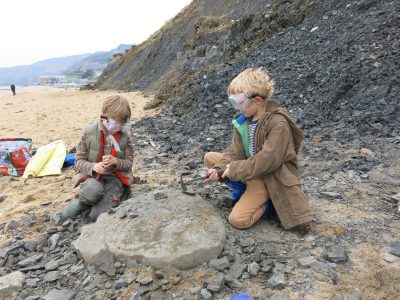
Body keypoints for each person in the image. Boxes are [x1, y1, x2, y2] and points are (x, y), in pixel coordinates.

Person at [204, 68, 313, 230]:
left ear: (258, 101)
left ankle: (269, 205)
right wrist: (219, 170)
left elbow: (266, 161)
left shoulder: (278, 124)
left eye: (240, 102)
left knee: (237, 220)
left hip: (269, 177)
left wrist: (233, 169)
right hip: (251, 171)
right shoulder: (244, 120)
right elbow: (234, 152)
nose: (237, 107)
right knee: (211, 158)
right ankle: (244, 192)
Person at [62, 95, 135, 221]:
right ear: (103, 117)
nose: (118, 127)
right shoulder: (89, 132)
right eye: (114, 123)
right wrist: (94, 167)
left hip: (115, 178)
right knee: (90, 192)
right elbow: (78, 162)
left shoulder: (125, 137)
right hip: (93, 176)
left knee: (98, 215)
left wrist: (116, 161)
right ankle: (84, 203)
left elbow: (128, 163)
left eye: (122, 124)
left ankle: (121, 194)